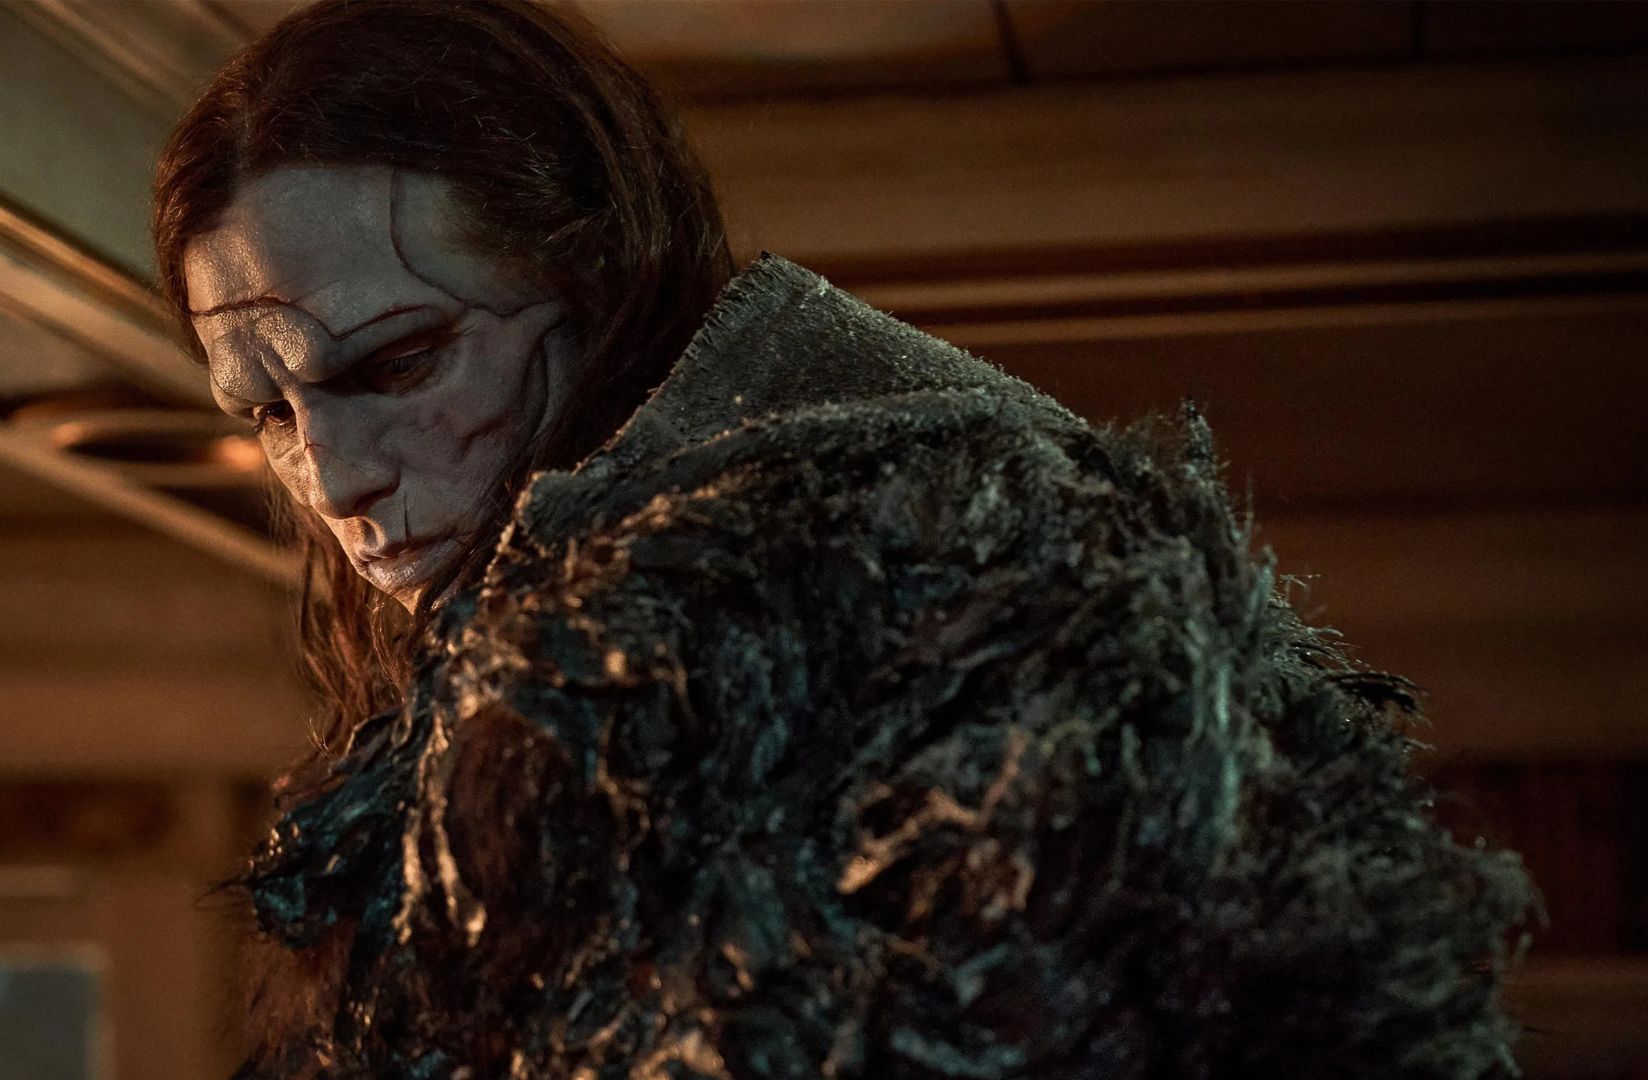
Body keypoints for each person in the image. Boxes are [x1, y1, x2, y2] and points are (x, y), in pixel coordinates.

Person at [154, 2, 1533, 1077]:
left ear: (598, 277)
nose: (332, 477)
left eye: (400, 362)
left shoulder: (887, 596)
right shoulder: (654, 632)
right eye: (267, 413)